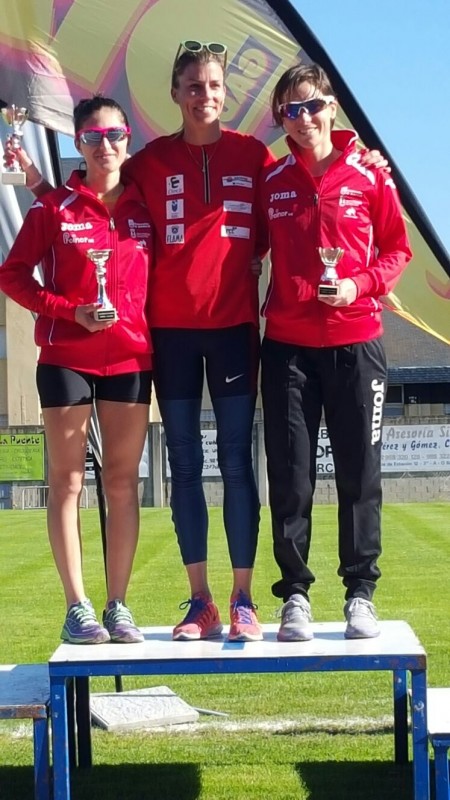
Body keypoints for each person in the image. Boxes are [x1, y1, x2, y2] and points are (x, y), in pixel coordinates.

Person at [10, 46, 390, 645]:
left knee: (238, 464)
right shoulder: (149, 162)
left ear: (225, 92)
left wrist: (362, 158)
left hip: (238, 331)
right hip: (170, 336)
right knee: (184, 466)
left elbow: (302, 205)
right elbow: (93, 190)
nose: (204, 94)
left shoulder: (258, 159)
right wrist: (35, 182)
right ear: (175, 93)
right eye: (192, 85)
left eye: (213, 84)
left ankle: (244, 599)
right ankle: (200, 600)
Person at [258, 63, 412, 642]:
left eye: (313, 105)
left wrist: (357, 286)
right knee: (292, 475)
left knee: (359, 474)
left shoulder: (370, 176)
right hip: (288, 349)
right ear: (281, 118)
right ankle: (294, 593)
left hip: (357, 343)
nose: (305, 119)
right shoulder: (272, 182)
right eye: (292, 111)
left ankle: (360, 594)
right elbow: (248, 254)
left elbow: (397, 250)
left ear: (333, 107)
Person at [0, 95, 153, 645]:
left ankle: (118, 605)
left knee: (121, 483)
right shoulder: (53, 210)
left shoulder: (147, 204)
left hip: (132, 358)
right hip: (66, 358)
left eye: (115, 135)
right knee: (66, 482)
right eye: (93, 137)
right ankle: (77, 606)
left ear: (127, 139)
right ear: (78, 144)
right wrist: (70, 313)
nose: (105, 145)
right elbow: (13, 277)